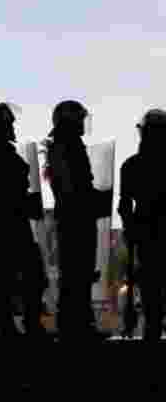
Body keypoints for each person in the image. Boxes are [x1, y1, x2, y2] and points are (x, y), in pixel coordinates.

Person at [0, 103, 51, 343]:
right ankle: (9, 327)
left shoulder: (4, 151)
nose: (12, 127)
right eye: (8, 123)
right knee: (8, 277)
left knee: (30, 275)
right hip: (3, 224)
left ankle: (27, 325)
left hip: (16, 223)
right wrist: (23, 203)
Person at [44, 100, 111, 342]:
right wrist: (97, 198)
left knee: (79, 272)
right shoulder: (66, 146)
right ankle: (76, 327)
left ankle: (78, 324)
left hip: (76, 217)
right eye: (80, 119)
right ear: (70, 122)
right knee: (76, 272)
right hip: (76, 220)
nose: (83, 123)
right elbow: (72, 189)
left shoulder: (65, 145)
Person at [118, 109, 166, 343]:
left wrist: (131, 228)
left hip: (146, 232)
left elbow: (125, 206)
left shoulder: (132, 165)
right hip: (149, 232)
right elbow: (125, 206)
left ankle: (152, 332)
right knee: (152, 288)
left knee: (152, 288)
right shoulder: (132, 165)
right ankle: (152, 331)